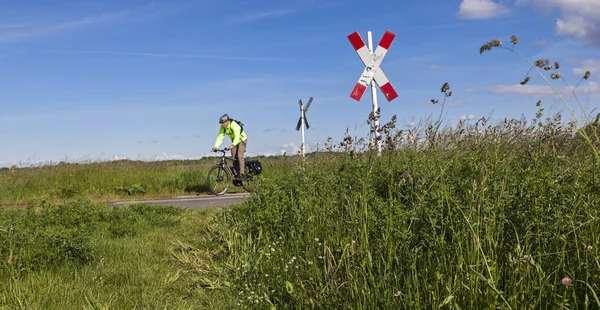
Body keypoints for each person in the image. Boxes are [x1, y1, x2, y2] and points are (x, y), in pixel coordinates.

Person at [212, 114, 248, 180]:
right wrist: (215, 146)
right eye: (221, 123)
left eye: (223, 123)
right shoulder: (223, 127)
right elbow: (220, 137)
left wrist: (232, 145)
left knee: (239, 156)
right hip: (234, 142)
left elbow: (237, 136)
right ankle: (237, 174)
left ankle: (242, 173)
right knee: (233, 157)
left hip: (242, 140)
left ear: (227, 121)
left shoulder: (234, 125)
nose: (222, 124)